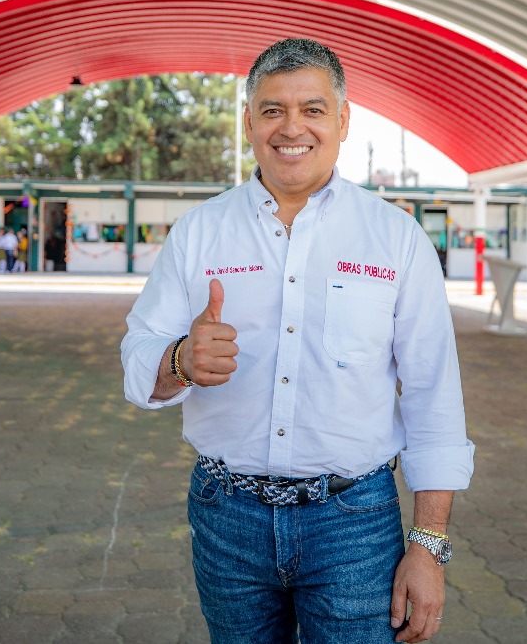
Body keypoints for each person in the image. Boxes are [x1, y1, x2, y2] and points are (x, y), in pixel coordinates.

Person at [121, 38, 474, 643]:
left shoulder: (396, 238)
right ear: (249, 122)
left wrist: (429, 546)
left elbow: (433, 398)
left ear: (342, 120)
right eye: (272, 110)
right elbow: (137, 362)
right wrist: (178, 359)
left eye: (312, 109)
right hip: (226, 516)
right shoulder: (200, 232)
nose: (292, 128)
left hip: (355, 524)